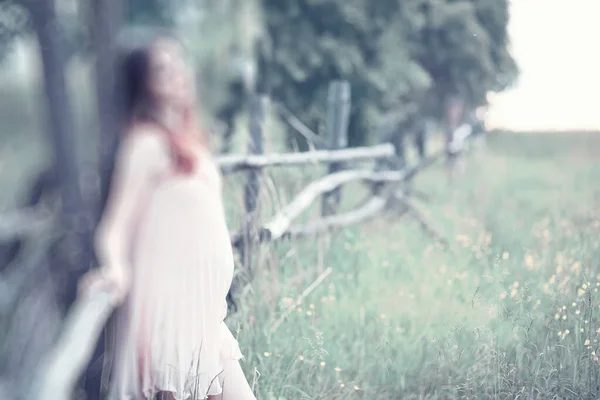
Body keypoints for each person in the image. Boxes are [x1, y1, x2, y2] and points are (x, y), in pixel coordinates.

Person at [78, 29, 256, 400]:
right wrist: (114, 268)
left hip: (204, 320)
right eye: (163, 70)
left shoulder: (189, 139)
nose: (179, 74)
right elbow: (114, 226)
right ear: (143, 85)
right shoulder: (145, 144)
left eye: (180, 64)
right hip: (171, 321)